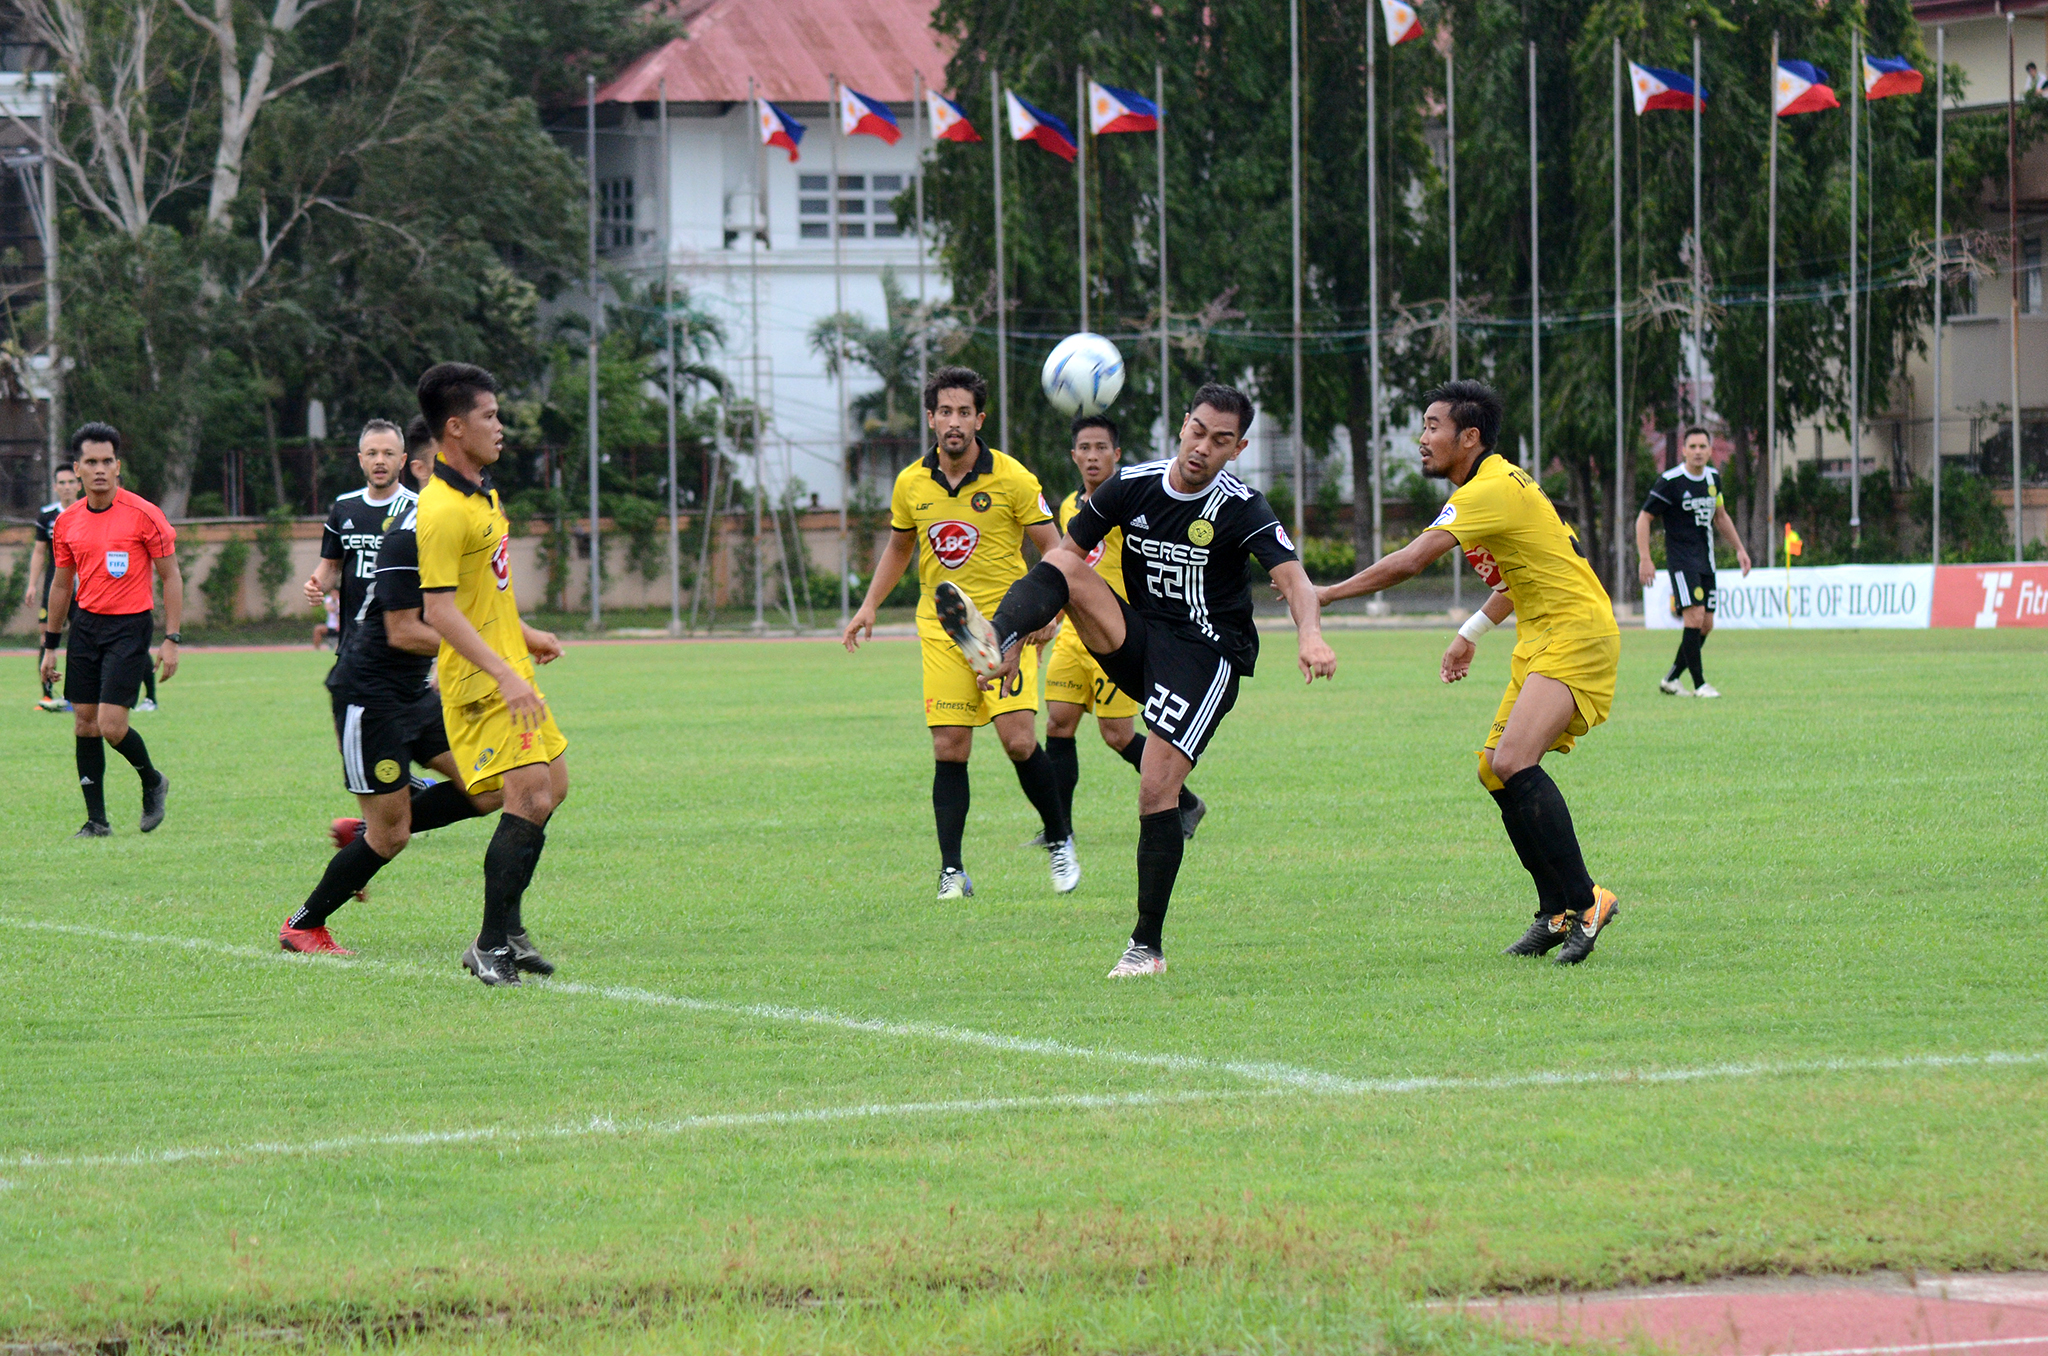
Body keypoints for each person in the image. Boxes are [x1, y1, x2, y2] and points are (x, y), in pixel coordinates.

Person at [939, 383, 1336, 977]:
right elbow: (1061, 561)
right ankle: (997, 640)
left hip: (1204, 659)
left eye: (1220, 440)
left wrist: (1310, 634)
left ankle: (1145, 947)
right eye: (1198, 431)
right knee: (1068, 569)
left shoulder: (1242, 506)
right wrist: (1029, 632)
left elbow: (1295, 578)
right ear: (1183, 425)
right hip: (1140, 637)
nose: (1203, 447)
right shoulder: (1133, 485)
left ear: (1238, 448)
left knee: (1155, 792)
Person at [1315, 380, 1621, 965]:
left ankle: (1587, 901)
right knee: (1493, 769)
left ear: (1469, 436)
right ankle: (1554, 912)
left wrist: (1324, 594)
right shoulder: (1497, 484)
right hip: (1543, 636)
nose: (1422, 439)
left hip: (1576, 633)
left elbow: (1410, 561)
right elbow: (1520, 577)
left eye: (1433, 426)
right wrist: (1469, 634)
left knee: (1512, 762)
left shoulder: (1489, 489)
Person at [841, 365, 1077, 903]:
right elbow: (901, 548)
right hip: (944, 629)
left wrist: (1049, 612)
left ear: (979, 419)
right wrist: (869, 606)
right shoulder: (910, 484)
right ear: (930, 418)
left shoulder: (1013, 478)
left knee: (1018, 741)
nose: (954, 421)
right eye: (944, 411)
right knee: (950, 747)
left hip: (1007, 627)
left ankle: (1060, 837)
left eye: (964, 412)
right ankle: (953, 871)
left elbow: (1057, 550)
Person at [280, 436, 505, 956]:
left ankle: (367, 827)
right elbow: (404, 631)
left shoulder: (446, 525)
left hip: (412, 693)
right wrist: (483, 652)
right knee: (391, 837)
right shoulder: (409, 533)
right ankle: (303, 924)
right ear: (425, 468)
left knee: (488, 786)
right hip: (369, 696)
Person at [414, 363, 569, 987]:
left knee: (551, 789)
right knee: (527, 796)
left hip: (511, 668)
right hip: (483, 684)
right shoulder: (442, 509)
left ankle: (505, 928)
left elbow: (486, 592)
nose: (500, 427)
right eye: (489, 416)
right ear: (455, 428)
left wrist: (524, 635)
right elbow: (439, 610)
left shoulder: (483, 492)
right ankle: (489, 943)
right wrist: (505, 672)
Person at [1042, 414, 1205, 842]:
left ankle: (1186, 801)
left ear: (1116, 454)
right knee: (1058, 723)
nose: (1093, 456)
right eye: (1084, 448)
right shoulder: (1068, 507)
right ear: (1074, 455)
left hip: (1116, 638)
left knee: (1117, 735)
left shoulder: (1133, 503)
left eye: (1102, 448)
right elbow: (1067, 569)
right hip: (1073, 638)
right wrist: (1050, 619)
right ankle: (1060, 830)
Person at [37, 423, 181, 839]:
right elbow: (62, 584)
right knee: (83, 723)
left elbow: (171, 577)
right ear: (77, 470)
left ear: (118, 467)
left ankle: (152, 780)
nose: (99, 469)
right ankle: (96, 821)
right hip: (86, 624)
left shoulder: (145, 514)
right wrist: (50, 646)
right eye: (91, 462)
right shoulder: (66, 523)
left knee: (112, 726)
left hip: (130, 626)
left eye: (107, 462)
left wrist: (171, 639)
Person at [1634, 426, 1751, 698]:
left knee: (1706, 624)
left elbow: (1720, 516)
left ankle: (1672, 678)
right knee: (1694, 616)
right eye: (1693, 447)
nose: (1698, 452)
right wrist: (1645, 558)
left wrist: (1740, 549)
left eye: (1703, 447)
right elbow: (1644, 518)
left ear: (1710, 451)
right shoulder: (1670, 481)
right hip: (1682, 561)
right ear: (1684, 450)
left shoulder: (1713, 479)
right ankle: (1700, 685)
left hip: (1706, 560)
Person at [304, 419, 415, 656]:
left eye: (388, 453)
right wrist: (317, 585)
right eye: (372, 453)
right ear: (361, 460)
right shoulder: (344, 507)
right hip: (352, 644)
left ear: (402, 460)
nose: (380, 460)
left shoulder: (418, 509)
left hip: (402, 646)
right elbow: (331, 565)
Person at [28, 464, 80, 711]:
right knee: (46, 637)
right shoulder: (47, 515)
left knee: (82, 640)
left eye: (71, 482)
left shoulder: (89, 512)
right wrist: (32, 584)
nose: (67, 487)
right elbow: (40, 552)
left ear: (79, 484)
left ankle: (77, 695)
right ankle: (47, 695)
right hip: (54, 585)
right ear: (55, 486)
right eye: (62, 482)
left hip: (83, 588)